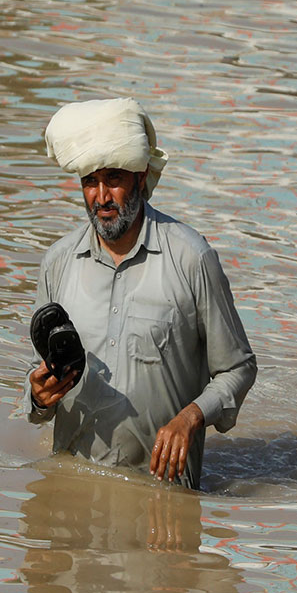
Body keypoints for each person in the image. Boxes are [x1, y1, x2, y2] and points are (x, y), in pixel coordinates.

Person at [26, 97, 256, 490]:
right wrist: (37, 398)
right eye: (89, 182)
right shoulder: (58, 262)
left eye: (113, 178)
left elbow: (237, 368)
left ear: (141, 175)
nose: (101, 198)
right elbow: (39, 376)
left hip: (163, 504)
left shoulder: (192, 258)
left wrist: (192, 417)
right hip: (72, 497)